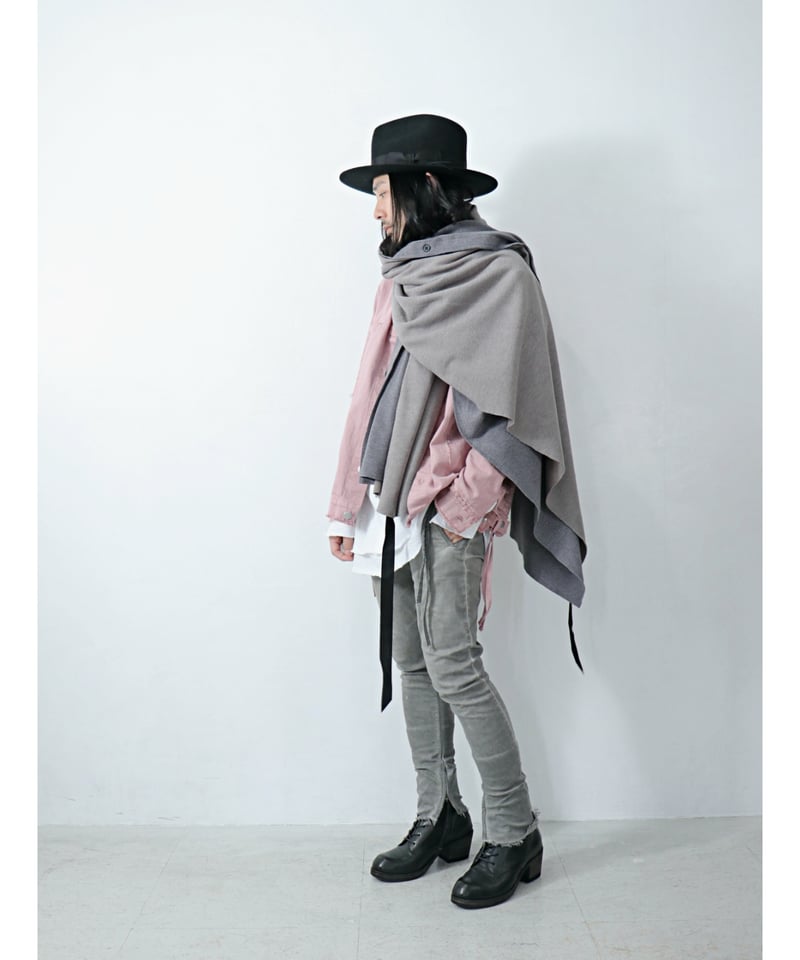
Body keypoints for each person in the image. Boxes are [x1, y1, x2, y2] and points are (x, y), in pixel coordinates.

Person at [327, 114, 587, 910]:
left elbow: (518, 404)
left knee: (453, 664)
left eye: (384, 192)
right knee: (412, 661)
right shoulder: (400, 276)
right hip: (392, 495)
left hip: (455, 502)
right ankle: (438, 814)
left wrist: (467, 499)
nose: (376, 210)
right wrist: (345, 504)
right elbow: (369, 389)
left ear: (427, 187)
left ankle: (513, 829)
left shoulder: (501, 276)